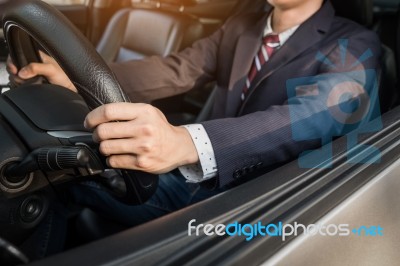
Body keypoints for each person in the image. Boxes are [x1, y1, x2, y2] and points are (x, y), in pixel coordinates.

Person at [7, 0, 380, 239]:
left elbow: (313, 116)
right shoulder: (244, 25)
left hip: (258, 201)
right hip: (195, 179)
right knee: (47, 165)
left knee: (45, 178)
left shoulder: (354, 43)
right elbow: (177, 70)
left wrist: (187, 142)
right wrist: (72, 77)